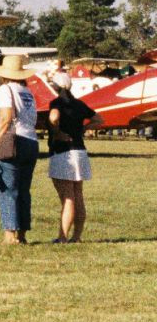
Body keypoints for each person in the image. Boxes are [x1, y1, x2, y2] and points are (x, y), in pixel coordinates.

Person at [0, 53, 39, 244]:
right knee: (24, 190)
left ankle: (9, 234)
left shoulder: (5, 90)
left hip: (12, 142)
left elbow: (6, 118)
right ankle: (22, 234)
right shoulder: (27, 92)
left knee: (7, 188)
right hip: (31, 141)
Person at [44, 69, 97, 243]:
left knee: (67, 197)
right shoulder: (80, 104)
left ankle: (63, 236)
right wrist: (84, 128)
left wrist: (57, 131)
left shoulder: (57, 103)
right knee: (78, 195)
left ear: (56, 86)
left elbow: (53, 117)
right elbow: (99, 119)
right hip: (80, 151)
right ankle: (77, 236)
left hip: (63, 152)